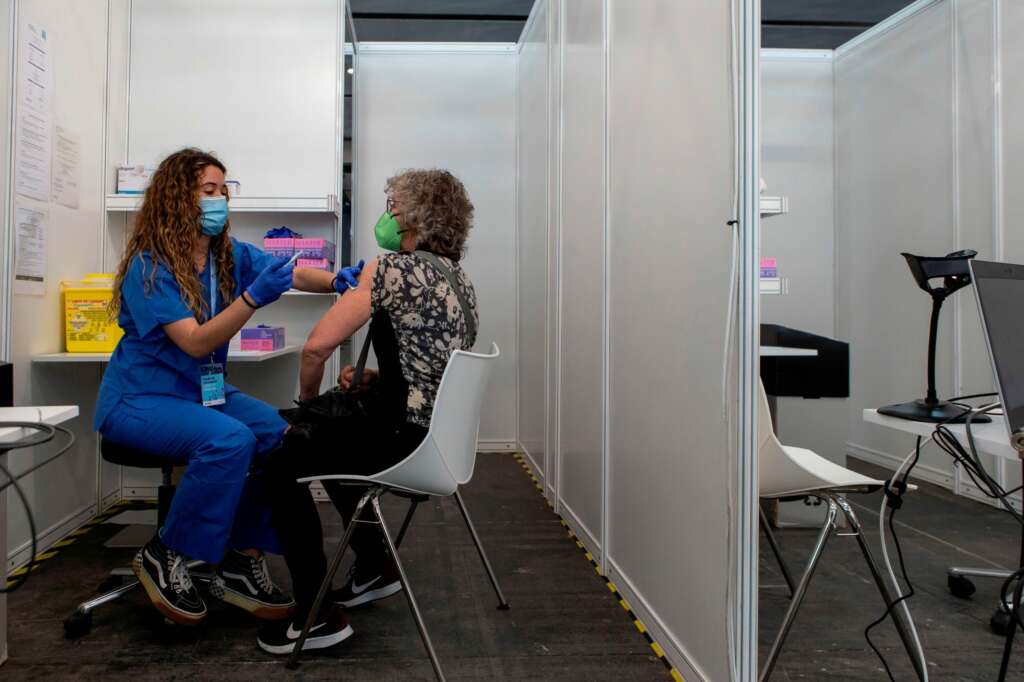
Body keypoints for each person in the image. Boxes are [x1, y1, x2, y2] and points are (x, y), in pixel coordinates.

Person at [94, 148, 363, 626]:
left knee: (283, 437)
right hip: (141, 398)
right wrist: (250, 301)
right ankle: (167, 552)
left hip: (203, 392)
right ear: (178, 198)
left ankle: (241, 555)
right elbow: (196, 343)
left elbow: (286, 272)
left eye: (224, 190)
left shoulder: (226, 255)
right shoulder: (150, 268)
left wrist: (336, 282)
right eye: (209, 191)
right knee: (229, 439)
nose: (220, 200)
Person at [255, 169, 479, 655]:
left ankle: (314, 615)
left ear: (414, 216)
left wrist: (308, 413)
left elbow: (315, 350)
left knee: (283, 459)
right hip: (431, 435)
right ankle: (375, 566)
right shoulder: (458, 278)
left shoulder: (392, 269)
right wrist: (380, 380)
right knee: (331, 448)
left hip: (400, 436)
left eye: (393, 205)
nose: (387, 215)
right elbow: (432, 366)